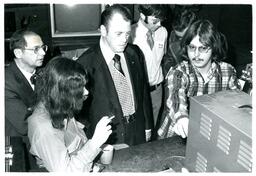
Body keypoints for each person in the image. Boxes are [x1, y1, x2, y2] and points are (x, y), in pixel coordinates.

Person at [77, 4, 153, 146]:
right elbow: (79, 110)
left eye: (127, 33)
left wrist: (148, 125)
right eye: (118, 33)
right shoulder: (85, 63)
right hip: (108, 138)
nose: (124, 39)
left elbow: (143, 91)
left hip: (138, 130)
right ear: (103, 30)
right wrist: (92, 139)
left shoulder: (134, 53)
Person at [157, 20, 240, 139]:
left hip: (209, 134)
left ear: (214, 47)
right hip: (176, 136)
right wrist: (182, 118)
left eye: (203, 48)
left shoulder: (227, 71)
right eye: (192, 47)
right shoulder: (179, 72)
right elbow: (175, 95)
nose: (196, 54)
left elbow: (235, 104)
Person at [28, 57, 112, 172]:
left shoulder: (60, 105)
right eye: (80, 88)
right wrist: (96, 142)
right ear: (64, 90)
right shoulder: (43, 128)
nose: (86, 92)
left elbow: (79, 144)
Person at [130, 4, 168, 128]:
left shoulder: (163, 32)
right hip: (138, 92)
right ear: (142, 15)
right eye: (155, 21)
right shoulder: (130, 34)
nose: (159, 24)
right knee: (140, 129)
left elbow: (161, 59)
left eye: (161, 20)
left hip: (157, 90)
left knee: (154, 128)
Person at [5, 29, 47, 137]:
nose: (43, 53)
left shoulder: (44, 73)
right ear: (18, 53)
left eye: (43, 47)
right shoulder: (5, 82)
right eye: (36, 49)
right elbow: (25, 125)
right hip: (21, 145)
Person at [162, 9, 197, 76]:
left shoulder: (206, 39)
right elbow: (168, 59)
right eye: (179, 37)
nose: (181, 40)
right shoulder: (173, 36)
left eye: (185, 36)